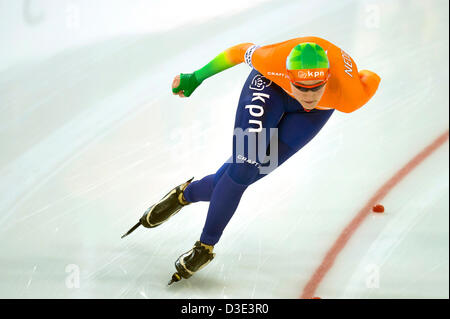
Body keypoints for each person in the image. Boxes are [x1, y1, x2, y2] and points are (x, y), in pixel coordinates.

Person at [122, 36, 381, 285]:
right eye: (302, 87)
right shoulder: (272, 61)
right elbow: (237, 52)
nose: (309, 95)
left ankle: (184, 194)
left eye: (316, 87)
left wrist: (347, 71)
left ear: (327, 79)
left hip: (311, 116)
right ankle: (205, 247)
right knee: (243, 169)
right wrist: (195, 77)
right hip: (269, 90)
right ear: (289, 76)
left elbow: (370, 77)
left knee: (247, 173)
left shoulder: (350, 97)